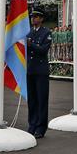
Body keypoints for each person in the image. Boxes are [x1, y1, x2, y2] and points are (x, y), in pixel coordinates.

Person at [26, 9, 52, 138]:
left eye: (36, 17)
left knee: (41, 99)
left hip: (41, 71)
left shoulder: (46, 32)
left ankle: (41, 128)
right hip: (30, 70)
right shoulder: (29, 32)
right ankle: (32, 125)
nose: (33, 19)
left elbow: (43, 50)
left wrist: (31, 45)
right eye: (32, 16)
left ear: (41, 19)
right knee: (32, 100)